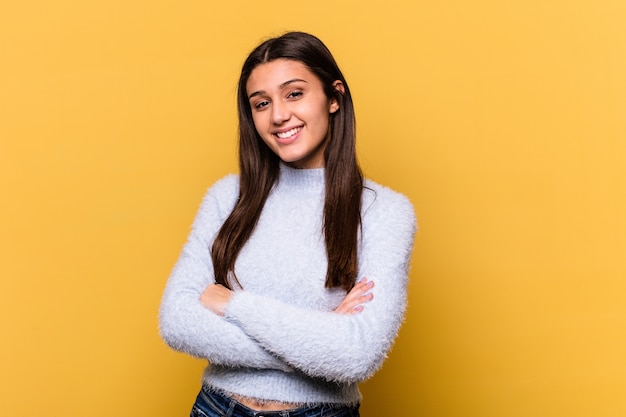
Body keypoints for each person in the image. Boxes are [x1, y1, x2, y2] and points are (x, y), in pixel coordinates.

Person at [159, 31, 416, 417]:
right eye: (261, 103)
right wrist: (316, 339)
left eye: (294, 93)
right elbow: (177, 320)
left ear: (334, 97)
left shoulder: (385, 211)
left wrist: (232, 304)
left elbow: (357, 355)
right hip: (217, 407)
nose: (278, 115)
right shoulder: (227, 197)